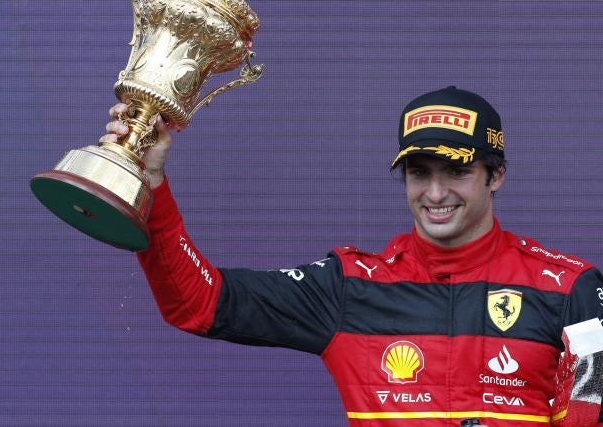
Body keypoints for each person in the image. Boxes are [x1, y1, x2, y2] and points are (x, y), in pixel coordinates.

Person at [101, 86, 603, 426]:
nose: (434, 192)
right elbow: (197, 302)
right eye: (417, 172)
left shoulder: (573, 289)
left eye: (456, 172)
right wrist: (151, 186)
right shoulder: (348, 287)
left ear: (496, 176)